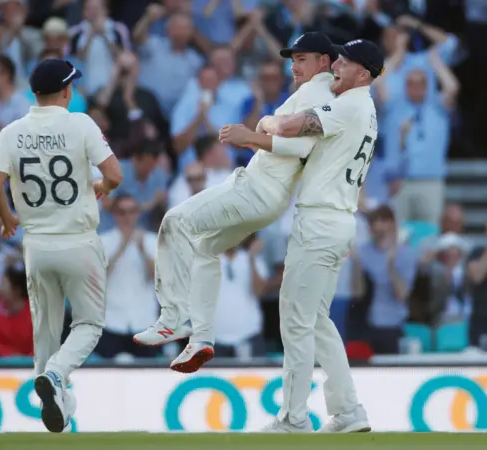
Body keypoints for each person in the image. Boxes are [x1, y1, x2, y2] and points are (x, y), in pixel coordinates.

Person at [133, 32, 337, 373]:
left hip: (257, 188)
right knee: (205, 250)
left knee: (174, 221)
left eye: (302, 59)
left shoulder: (317, 95)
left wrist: (250, 137)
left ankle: (172, 317)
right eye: (293, 59)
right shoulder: (317, 96)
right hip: (269, 195)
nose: (294, 65)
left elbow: (302, 149)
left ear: (323, 62)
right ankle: (201, 339)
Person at [249, 39, 384, 433]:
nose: (336, 65)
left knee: (295, 319)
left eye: (346, 61)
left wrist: (267, 123)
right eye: (337, 58)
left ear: (364, 74)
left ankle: (293, 418)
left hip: (321, 221)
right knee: (316, 320)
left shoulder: (350, 104)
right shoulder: (364, 108)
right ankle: (347, 412)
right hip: (338, 220)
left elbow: (295, 124)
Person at [0, 59, 122, 433]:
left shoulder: (11, 132)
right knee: (90, 324)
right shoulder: (80, 123)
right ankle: (57, 375)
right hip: (78, 240)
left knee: (45, 329)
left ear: (34, 93)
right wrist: (103, 188)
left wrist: (6, 218)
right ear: (66, 91)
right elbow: (114, 174)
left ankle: (53, 392)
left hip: (37, 246)